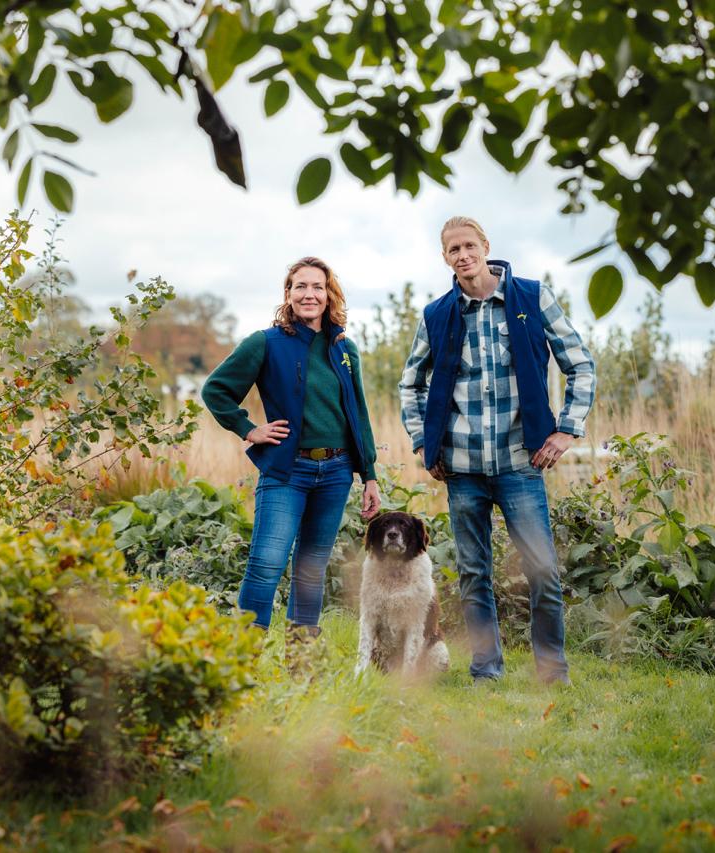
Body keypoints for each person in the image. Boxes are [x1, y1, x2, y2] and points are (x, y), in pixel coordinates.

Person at [399, 216, 596, 685]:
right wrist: (425, 442)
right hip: (461, 468)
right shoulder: (438, 314)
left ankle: (552, 672)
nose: (463, 256)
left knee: (542, 572)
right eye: (453, 250)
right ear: (445, 258)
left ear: (486, 246)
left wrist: (566, 431)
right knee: (473, 574)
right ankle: (486, 671)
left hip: (520, 462)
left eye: (469, 246)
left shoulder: (531, 296)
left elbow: (581, 365)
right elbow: (411, 384)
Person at [202, 256, 381, 660]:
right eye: (300, 286)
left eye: (317, 287)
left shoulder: (344, 348)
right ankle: (240, 663)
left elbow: (360, 413)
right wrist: (249, 429)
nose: (309, 294)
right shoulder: (265, 343)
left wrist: (368, 474)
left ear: (329, 293)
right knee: (266, 565)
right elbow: (216, 390)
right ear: (288, 294)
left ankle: (301, 665)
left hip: (336, 474)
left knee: (311, 571)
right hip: (288, 471)